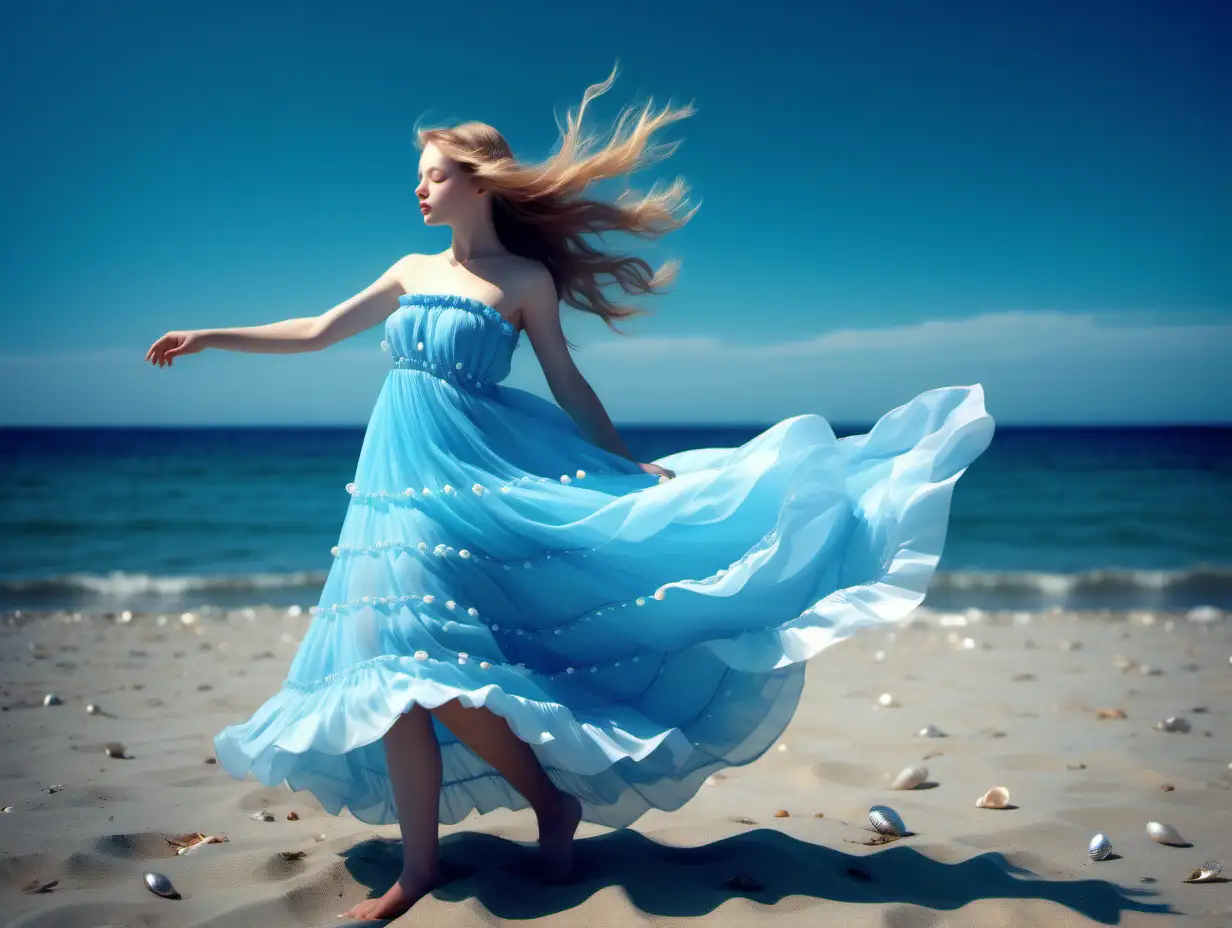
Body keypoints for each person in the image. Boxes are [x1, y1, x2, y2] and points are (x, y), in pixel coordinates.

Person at [145, 63, 995, 922]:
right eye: (420, 174)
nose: (419, 187)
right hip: (392, 492)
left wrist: (628, 467)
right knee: (385, 674)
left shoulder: (523, 283)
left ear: (477, 181)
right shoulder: (408, 269)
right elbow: (317, 330)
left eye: (434, 173)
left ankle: (550, 801)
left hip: (472, 490)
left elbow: (567, 384)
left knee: (433, 676)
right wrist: (209, 335)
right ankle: (420, 869)